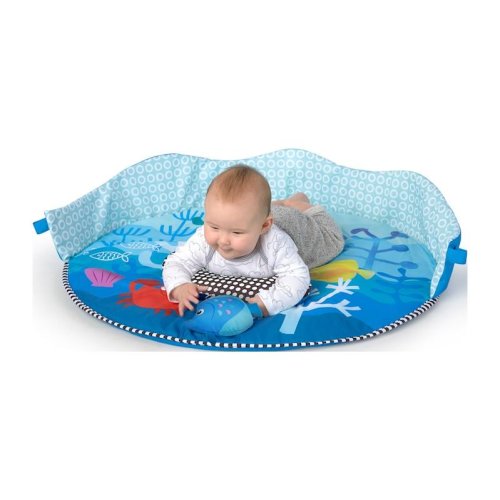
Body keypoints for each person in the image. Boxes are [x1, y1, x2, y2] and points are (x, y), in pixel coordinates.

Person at [162, 164, 344, 317]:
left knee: (329, 236)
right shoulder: (203, 239)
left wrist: (269, 303)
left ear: (264, 226)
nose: (223, 241)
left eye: (236, 232)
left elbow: (297, 276)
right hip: (258, 216)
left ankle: (297, 201)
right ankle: (279, 205)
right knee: (255, 212)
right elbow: (176, 261)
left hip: (297, 226)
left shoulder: (275, 243)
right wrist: (179, 286)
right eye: (214, 227)